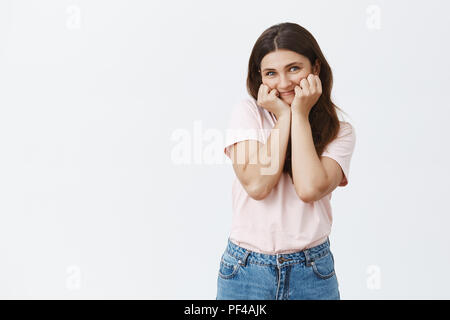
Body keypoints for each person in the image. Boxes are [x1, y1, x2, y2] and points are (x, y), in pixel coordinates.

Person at [217, 22, 356, 300]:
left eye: (294, 68)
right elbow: (258, 185)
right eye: (271, 73)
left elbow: (308, 189)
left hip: (312, 271)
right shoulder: (248, 114)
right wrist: (283, 117)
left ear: (315, 68)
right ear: (259, 77)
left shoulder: (340, 131)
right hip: (245, 270)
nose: (283, 83)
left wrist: (299, 116)